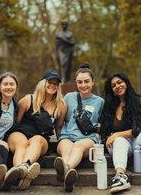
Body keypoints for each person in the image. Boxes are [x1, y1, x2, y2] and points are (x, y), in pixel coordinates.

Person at [7, 70, 66, 190]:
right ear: (43, 83)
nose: (53, 85)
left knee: (37, 140)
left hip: (41, 139)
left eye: (56, 83)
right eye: (50, 82)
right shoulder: (28, 99)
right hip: (20, 133)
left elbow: (58, 127)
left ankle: (22, 167)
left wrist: (62, 142)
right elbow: (16, 121)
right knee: (21, 143)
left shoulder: (61, 105)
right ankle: (22, 172)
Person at [54, 63, 104, 192]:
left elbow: (103, 125)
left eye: (87, 81)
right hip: (67, 136)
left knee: (78, 146)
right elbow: (59, 123)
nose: (83, 85)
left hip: (88, 139)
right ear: (76, 83)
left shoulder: (99, 102)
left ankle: (65, 169)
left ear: (93, 82)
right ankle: (68, 175)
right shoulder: (69, 97)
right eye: (80, 82)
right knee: (67, 148)